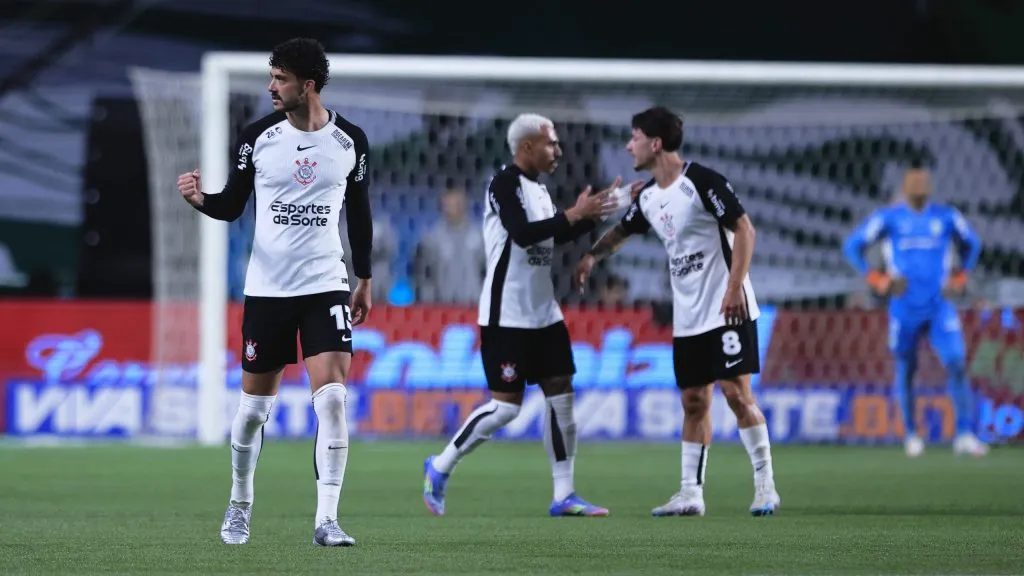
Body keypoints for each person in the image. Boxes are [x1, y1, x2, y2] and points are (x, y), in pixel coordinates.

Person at [176, 38, 371, 546]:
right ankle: (240, 502)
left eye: (280, 78)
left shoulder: (351, 141)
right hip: (267, 292)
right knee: (252, 412)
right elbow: (231, 206)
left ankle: (326, 519)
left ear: (307, 85)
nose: (270, 86)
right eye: (271, 76)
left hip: (325, 285)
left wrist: (364, 278)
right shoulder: (256, 137)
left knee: (332, 401)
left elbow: (361, 212)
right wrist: (201, 200)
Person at [575, 106, 780, 517]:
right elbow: (623, 231)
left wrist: (735, 285)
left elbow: (745, 229)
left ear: (655, 143)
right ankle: (690, 494)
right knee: (692, 402)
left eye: (633, 137)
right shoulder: (649, 196)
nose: (627, 145)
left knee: (737, 395)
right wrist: (592, 256)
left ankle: (765, 487)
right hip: (688, 318)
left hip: (728, 309)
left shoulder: (702, 182)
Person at [421, 113, 620, 517]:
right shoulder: (503, 184)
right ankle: (440, 465)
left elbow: (554, 235)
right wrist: (573, 214)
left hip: (544, 312)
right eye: (551, 143)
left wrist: (589, 216)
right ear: (527, 146)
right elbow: (523, 232)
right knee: (507, 407)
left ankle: (564, 493)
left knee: (561, 393)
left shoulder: (540, 189)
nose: (558, 150)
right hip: (505, 314)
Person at [843, 166, 987, 458]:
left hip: (939, 305)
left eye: (924, 179)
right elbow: (852, 246)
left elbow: (973, 243)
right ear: (905, 186)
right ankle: (911, 434)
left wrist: (960, 278)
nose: (920, 183)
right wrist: (877, 279)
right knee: (906, 370)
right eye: (914, 180)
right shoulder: (889, 218)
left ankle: (964, 434)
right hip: (904, 307)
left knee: (957, 362)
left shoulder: (946, 217)